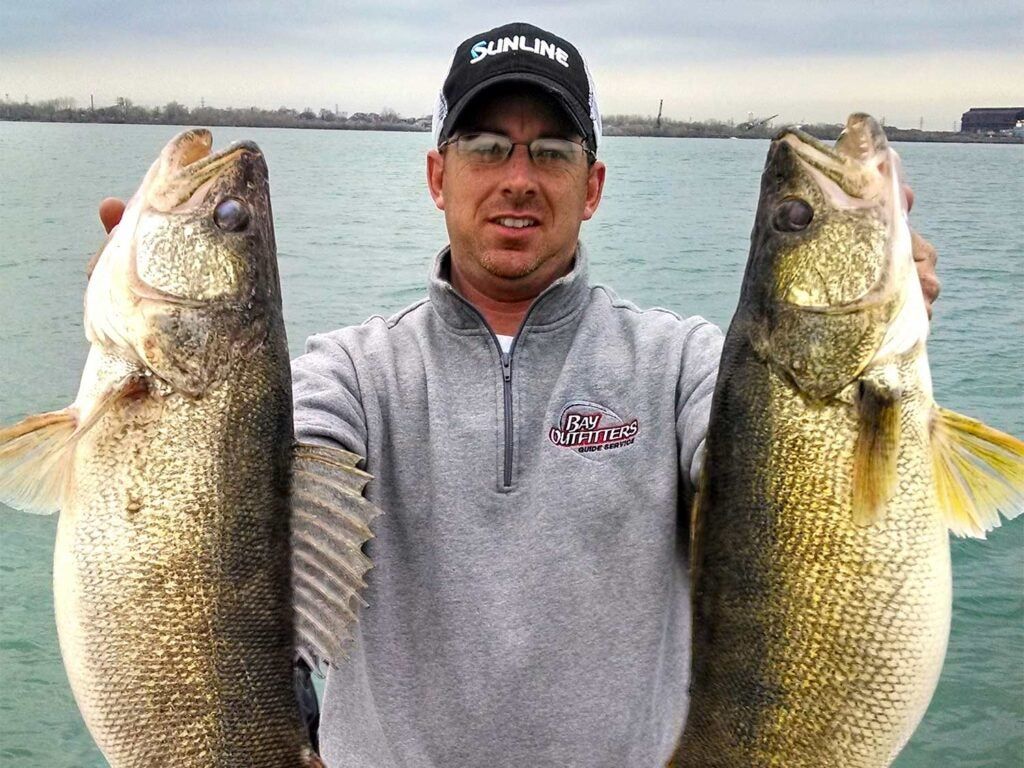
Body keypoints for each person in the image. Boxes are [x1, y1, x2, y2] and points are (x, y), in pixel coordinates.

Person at [98, 21, 940, 768]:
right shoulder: (350, 373)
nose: (518, 177)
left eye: (551, 151)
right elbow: (233, 499)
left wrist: (872, 343)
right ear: (438, 175)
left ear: (594, 185)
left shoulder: (684, 364)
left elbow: (784, 490)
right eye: (487, 146)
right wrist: (165, 382)